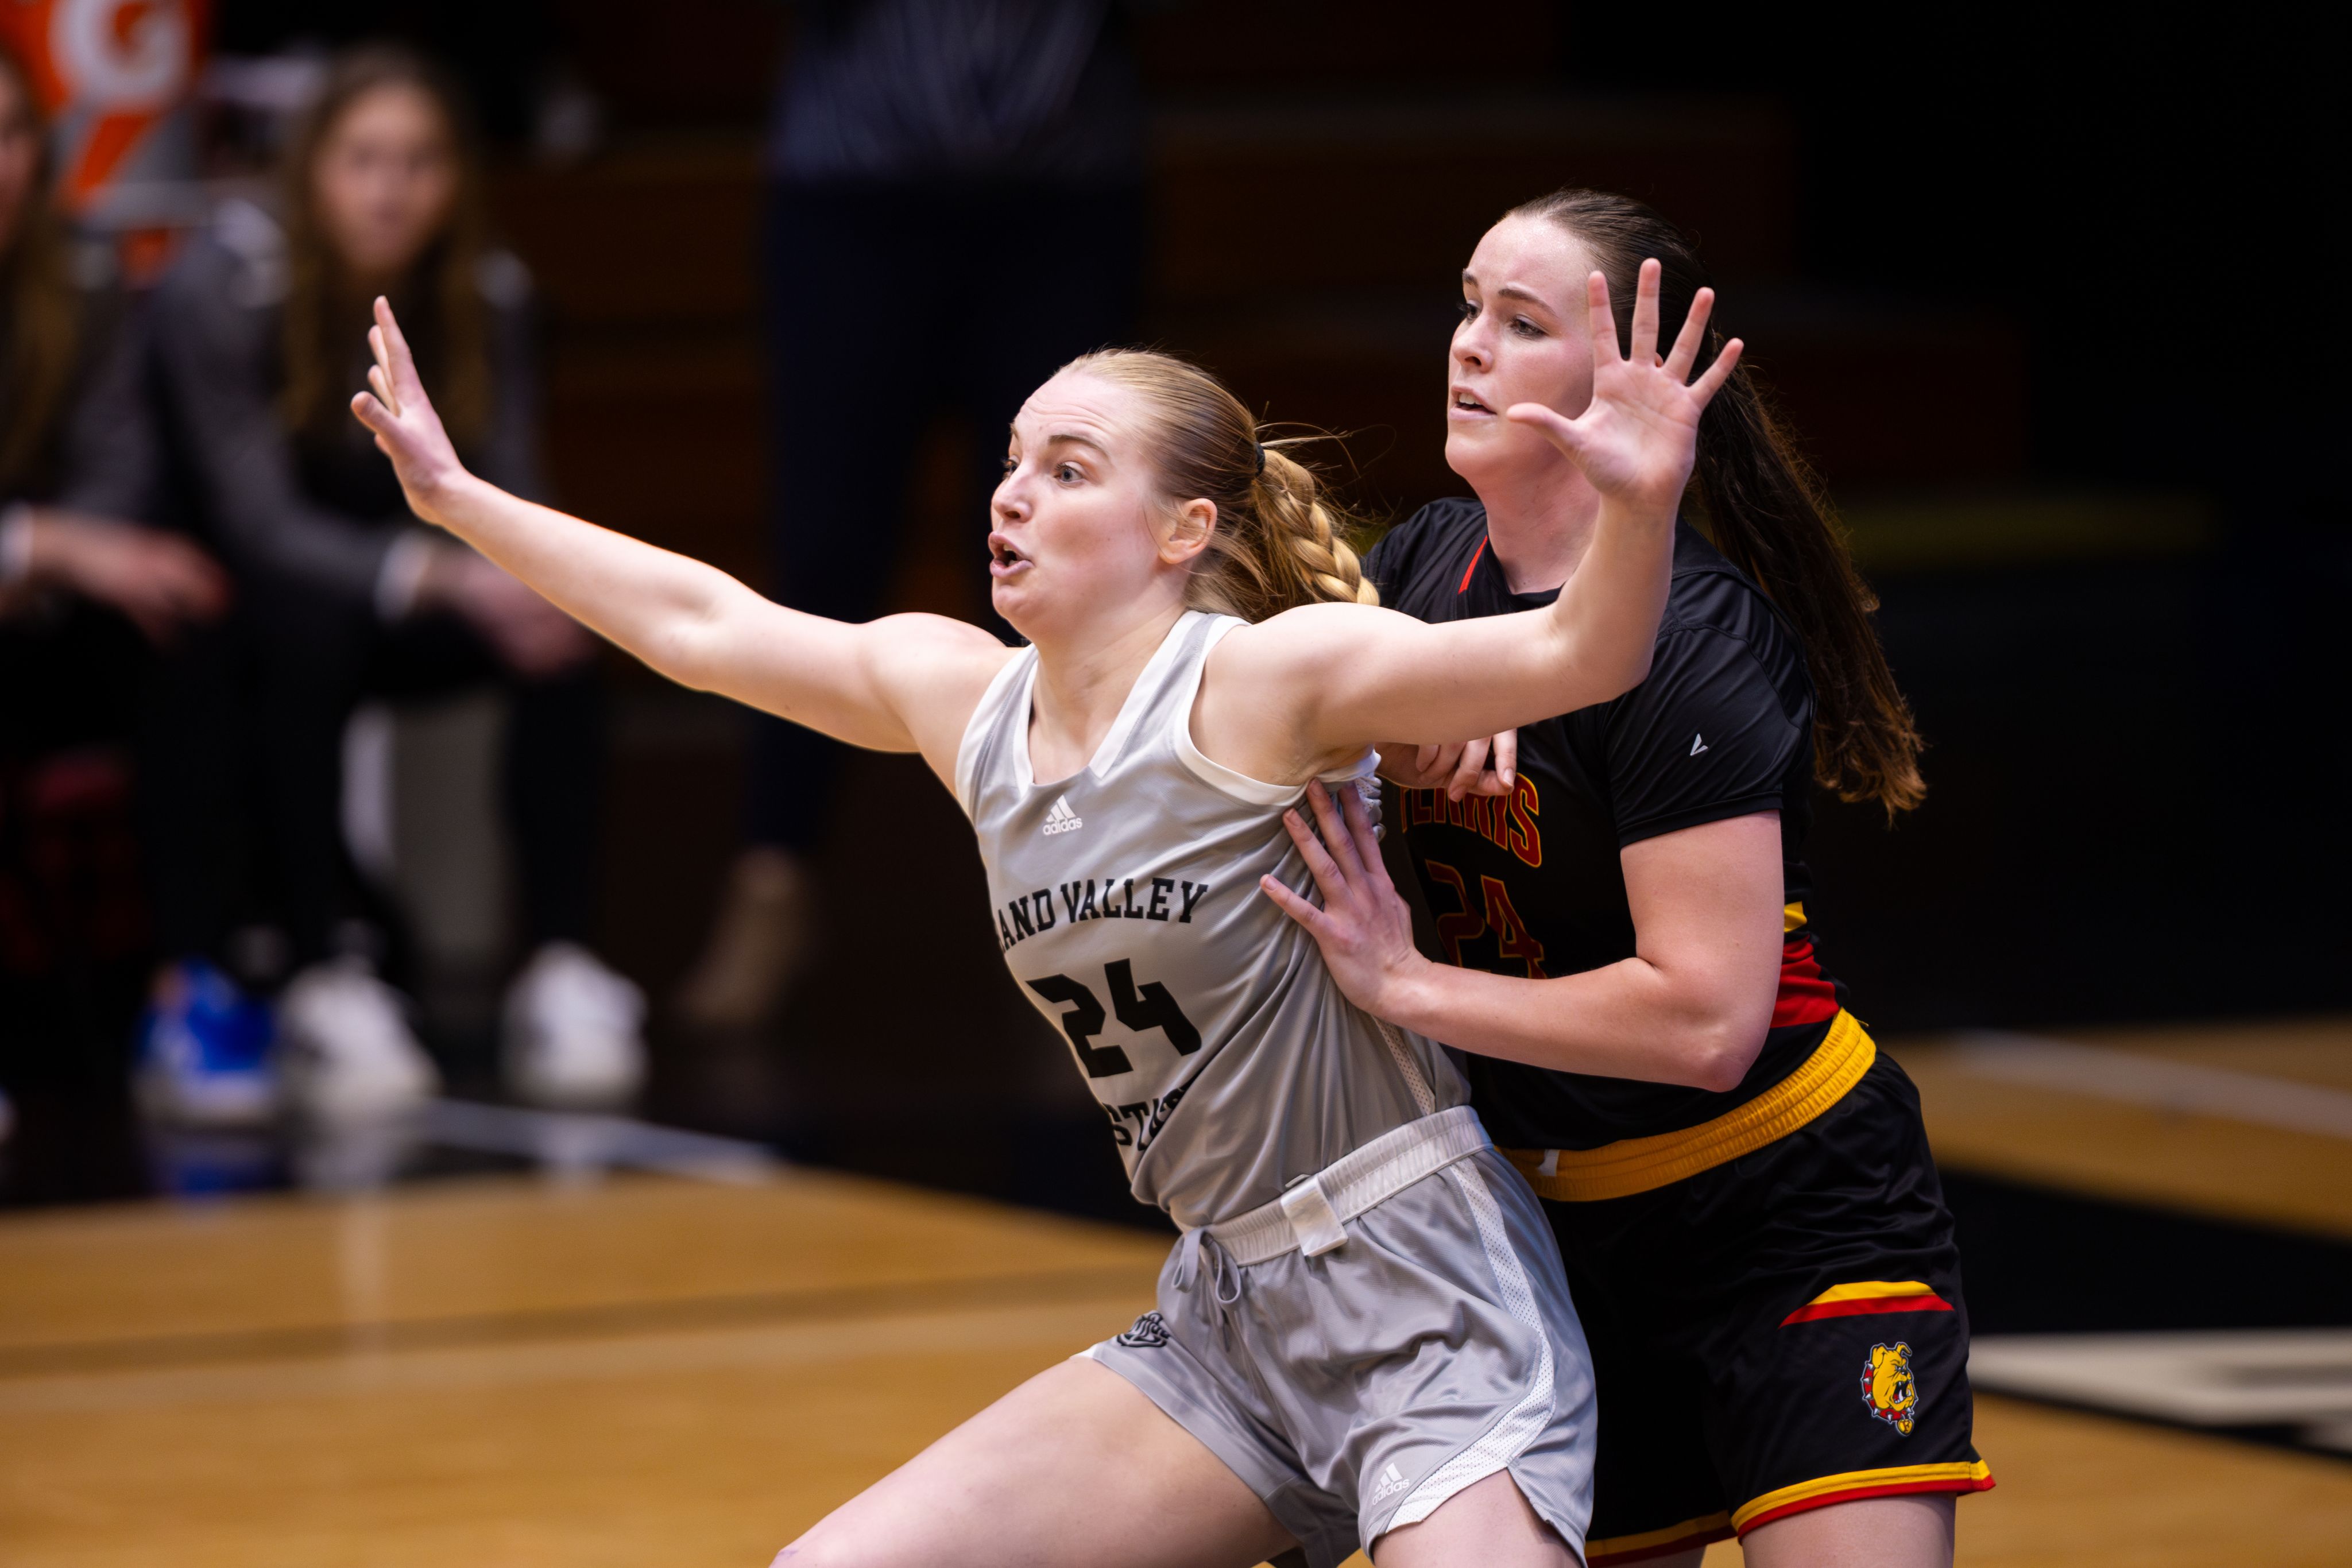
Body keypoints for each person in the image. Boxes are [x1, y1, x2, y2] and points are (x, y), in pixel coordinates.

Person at [349, 246, 1742, 1565]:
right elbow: (702, 631)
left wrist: (1637, 498)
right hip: (1226, 1318)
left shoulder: (1261, 683)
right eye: (1012, 463)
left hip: (1428, 1301)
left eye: (1067, 470)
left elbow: (1586, 651)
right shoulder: (965, 703)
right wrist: (459, 500)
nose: (1011, 494)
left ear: (1179, 530)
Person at [1264, 189, 1990, 1567]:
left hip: (1784, 1215)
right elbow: (1263, 748)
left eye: (1519, 323)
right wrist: (1388, 742)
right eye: (1467, 304)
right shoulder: (1421, 571)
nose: (1466, 347)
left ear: (1629, 390)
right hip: (1558, 1244)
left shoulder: (1692, 642)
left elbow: (1701, 1024)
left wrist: (1408, 986)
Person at [146, 47, 642, 1117]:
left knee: (563, 628)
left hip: (426, 587)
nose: (390, 188)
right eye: (363, 158)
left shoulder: (487, 293)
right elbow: (258, 525)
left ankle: (560, 965)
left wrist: (524, 583)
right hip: (271, 607)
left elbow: (522, 489)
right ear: (310, 168)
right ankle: (328, 974)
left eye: (420, 161)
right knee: (297, 634)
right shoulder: (223, 287)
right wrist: (443, 577)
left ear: (456, 178)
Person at [675, 0, 1147, 1031]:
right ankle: (773, 881)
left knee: (1070, 562)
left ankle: (1080, 918)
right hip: (856, 186)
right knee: (829, 548)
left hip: (1061, 183)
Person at [0, 38, 230, 1164]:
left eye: (7, 135)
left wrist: (63, 551)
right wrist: (47, 541)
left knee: (184, 617)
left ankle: (193, 992)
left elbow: (118, 479)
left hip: (44, 623)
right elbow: (82, 528)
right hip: (38, 580)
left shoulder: (82, 274)